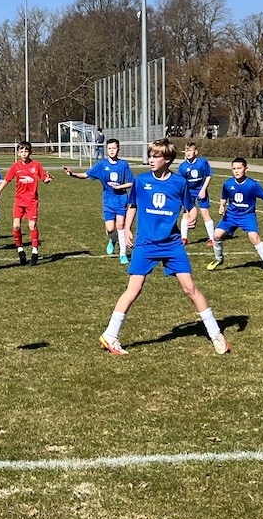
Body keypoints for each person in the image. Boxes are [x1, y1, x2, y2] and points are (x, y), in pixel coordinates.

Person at [98, 138, 228, 357]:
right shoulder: (141, 180)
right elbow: (133, 204)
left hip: (172, 243)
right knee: (134, 288)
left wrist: (192, 216)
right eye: (150, 155)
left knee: (190, 288)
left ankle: (216, 334)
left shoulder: (179, 183)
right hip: (146, 243)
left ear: (167, 159)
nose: (151, 159)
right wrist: (127, 228)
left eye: (155, 156)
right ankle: (110, 335)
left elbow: (190, 207)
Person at [207, 157, 263, 277]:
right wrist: (221, 206)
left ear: (246, 169)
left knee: (254, 237)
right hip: (231, 215)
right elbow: (224, 197)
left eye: (239, 168)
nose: (236, 171)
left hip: (247, 216)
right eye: (234, 168)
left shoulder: (253, 185)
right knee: (216, 236)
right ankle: (219, 259)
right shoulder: (228, 183)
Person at [64, 137, 133, 265]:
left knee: (121, 225)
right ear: (106, 149)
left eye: (114, 148)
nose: (112, 150)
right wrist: (72, 174)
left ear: (118, 149)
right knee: (110, 229)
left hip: (121, 199)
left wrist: (120, 187)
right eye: (109, 148)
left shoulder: (123, 164)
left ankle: (123, 254)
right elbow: (85, 175)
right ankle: (113, 240)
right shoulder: (102, 165)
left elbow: (131, 182)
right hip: (108, 201)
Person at [0, 140, 53, 265]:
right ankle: (20, 250)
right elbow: (6, 180)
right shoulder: (15, 166)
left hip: (32, 201)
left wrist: (48, 179)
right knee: (16, 226)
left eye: (26, 151)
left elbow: (44, 178)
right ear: (18, 153)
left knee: (32, 225)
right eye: (21, 151)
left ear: (30, 152)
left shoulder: (36, 165)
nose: (24, 153)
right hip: (19, 201)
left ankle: (35, 251)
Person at [176, 141, 217, 247]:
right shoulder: (182, 166)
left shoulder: (202, 162)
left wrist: (203, 189)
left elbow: (208, 175)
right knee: (186, 212)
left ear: (196, 152)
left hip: (200, 190)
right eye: (186, 150)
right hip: (188, 192)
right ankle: (184, 238)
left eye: (190, 150)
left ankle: (212, 238)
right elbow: (180, 182)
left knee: (205, 213)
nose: (188, 153)